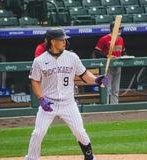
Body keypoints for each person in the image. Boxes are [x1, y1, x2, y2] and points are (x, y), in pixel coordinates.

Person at [25, 28, 108, 160]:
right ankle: (31, 158)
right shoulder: (39, 61)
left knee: (79, 132)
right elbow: (35, 81)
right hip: (49, 103)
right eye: (61, 40)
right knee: (38, 133)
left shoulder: (72, 57)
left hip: (68, 103)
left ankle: (90, 157)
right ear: (52, 42)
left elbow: (84, 74)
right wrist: (41, 99)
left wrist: (96, 80)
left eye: (64, 39)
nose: (65, 42)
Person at [92, 21, 125, 104]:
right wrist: (107, 56)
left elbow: (123, 52)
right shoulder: (104, 39)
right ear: (112, 29)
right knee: (106, 88)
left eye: (121, 28)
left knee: (116, 90)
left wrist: (124, 56)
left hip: (118, 66)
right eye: (119, 28)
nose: (120, 30)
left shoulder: (121, 39)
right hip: (107, 67)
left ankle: (114, 107)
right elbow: (97, 52)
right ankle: (105, 107)